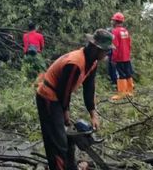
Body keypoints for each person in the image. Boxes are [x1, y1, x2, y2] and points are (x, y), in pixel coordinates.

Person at [36, 29, 113, 170]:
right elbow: (63, 91)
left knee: (68, 137)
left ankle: (70, 166)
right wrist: (65, 112)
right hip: (48, 96)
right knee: (57, 142)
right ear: (97, 48)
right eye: (106, 50)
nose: (107, 53)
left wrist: (93, 113)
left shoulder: (92, 62)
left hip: (59, 97)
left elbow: (89, 88)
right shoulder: (75, 63)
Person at [109, 12, 134, 100]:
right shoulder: (125, 31)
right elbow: (129, 44)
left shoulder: (115, 32)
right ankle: (130, 92)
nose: (112, 22)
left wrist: (113, 58)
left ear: (116, 21)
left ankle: (122, 93)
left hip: (119, 57)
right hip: (126, 56)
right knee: (128, 73)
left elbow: (115, 46)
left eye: (113, 20)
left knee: (120, 74)